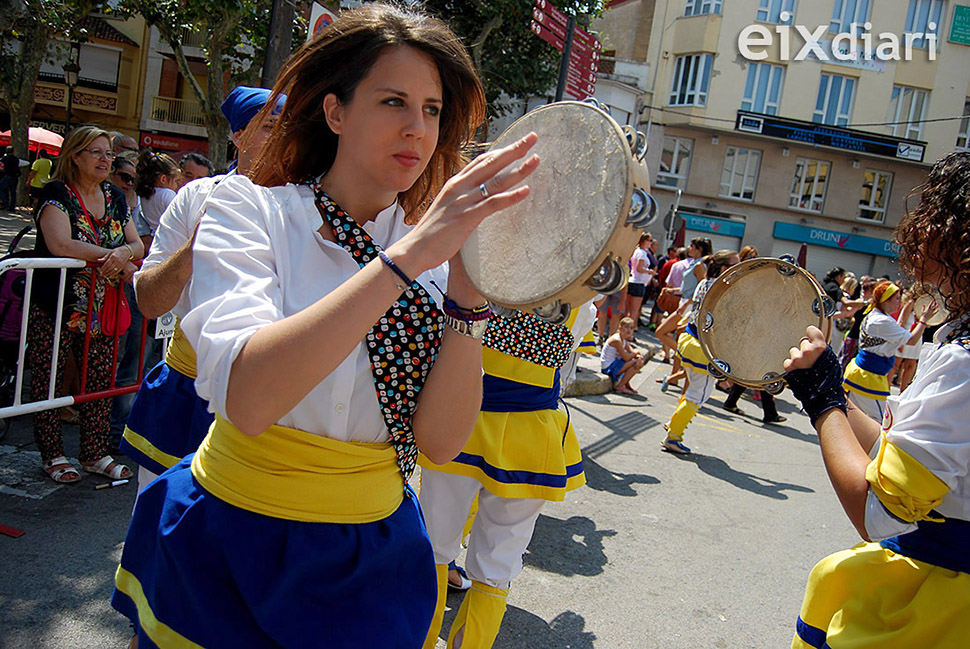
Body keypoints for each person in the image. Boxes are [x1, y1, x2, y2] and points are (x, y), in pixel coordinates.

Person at [110, 5, 539, 647]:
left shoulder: (438, 265)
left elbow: (441, 443)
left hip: (372, 554)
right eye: (393, 100)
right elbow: (250, 399)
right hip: (231, 540)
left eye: (431, 110)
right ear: (335, 112)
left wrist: (468, 301)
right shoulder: (248, 211)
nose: (417, 128)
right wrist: (407, 258)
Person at [784, 150, 970, 649]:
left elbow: (876, 512)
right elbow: (894, 448)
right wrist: (831, 396)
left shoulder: (963, 366)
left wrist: (823, 402)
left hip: (938, 609)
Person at [119, 86, 283, 493]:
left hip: (270, 401)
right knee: (159, 523)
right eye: (269, 127)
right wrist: (196, 247)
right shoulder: (195, 197)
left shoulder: (311, 207)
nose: (282, 138)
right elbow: (151, 302)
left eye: (292, 128)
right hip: (186, 388)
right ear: (238, 137)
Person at [418, 304, 595, 648]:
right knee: (499, 558)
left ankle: (420, 639)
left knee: (434, 545)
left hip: (457, 418)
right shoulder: (580, 304)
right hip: (528, 435)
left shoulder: (476, 275)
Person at [27, 125, 144, 483]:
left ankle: (94, 452)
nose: (105, 160)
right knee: (49, 380)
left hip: (102, 307)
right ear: (75, 156)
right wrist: (114, 256)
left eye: (109, 153)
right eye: (96, 152)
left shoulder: (114, 195)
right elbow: (61, 243)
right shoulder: (57, 193)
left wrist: (124, 252)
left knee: (100, 380)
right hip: (58, 304)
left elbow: (137, 244)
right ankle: (53, 454)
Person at [661, 249, 739, 454]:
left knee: (692, 391)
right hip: (701, 347)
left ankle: (674, 425)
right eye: (735, 265)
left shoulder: (705, 283)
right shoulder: (722, 290)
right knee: (698, 395)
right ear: (724, 268)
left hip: (689, 340)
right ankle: (673, 437)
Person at [843, 280, 933, 421]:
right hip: (868, 376)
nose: (899, 302)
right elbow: (912, 340)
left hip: (865, 373)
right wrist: (924, 320)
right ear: (886, 301)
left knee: (856, 417)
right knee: (879, 420)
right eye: (896, 298)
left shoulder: (878, 316)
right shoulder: (881, 321)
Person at [655, 237, 713, 390]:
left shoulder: (700, 265)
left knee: (661, 332)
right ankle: (675, 374)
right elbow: (688, 287)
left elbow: (702, 288)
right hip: (685, 303)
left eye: (692, 246)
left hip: (689, 306)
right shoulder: (694, 263)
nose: (688, 247)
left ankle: (683, 363)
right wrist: (673, 291)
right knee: (677, 338)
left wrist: (686, 304)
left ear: (699, 249)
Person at [134, 149, 180, 250]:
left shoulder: (144, 196)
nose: (176, 186)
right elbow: (178, 217)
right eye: (176, 181)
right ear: (163, 179)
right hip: (169, 241)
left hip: (155, 240)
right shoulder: (167, 194)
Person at [600, 315, 645, 394]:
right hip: (609, 367)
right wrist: (635, 354)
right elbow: (627, 357)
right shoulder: (616, 340)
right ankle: (620, 385)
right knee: (635, 362)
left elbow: (631, 351)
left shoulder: (623, 340)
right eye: (626, 327)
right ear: (620, 327)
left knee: (638, 361)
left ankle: (626, 383)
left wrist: (638, 356)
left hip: (616, 364)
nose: (629, 330)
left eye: (631, 328)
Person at [624, 233, 654, 331]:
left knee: (627, 309)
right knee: (634, 311)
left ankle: (623, 330)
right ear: (643, 241)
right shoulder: (642, 253)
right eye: (649, 240)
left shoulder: (636, 251)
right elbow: (639, 268)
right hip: (639, 282)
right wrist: (649, 271)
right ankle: (629, 332)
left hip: (632, 281)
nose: (651, 242)